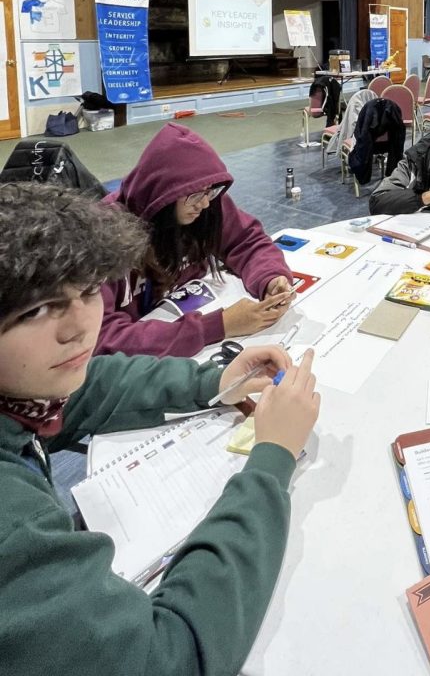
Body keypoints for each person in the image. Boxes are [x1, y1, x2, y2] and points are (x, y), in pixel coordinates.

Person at [0, 182, 321, 676]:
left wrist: (214, 379)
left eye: (88, 291)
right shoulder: (15, 531)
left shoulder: (23, 396)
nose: (79, 328)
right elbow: (170, 655)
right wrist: (272, 458)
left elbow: (87, 389)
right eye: (36, 310)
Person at [97, 123, 295, 358]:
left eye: (209, 192)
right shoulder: (103, 236)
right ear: (163, 195)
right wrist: (217, 326)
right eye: (195, 195)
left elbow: (246, 240)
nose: (203, 203)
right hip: (142, 363)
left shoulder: (205, 204)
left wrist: (271, 277)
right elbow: (101, 337)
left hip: (187, 317)